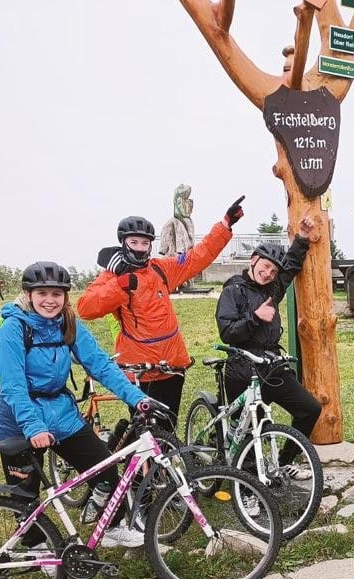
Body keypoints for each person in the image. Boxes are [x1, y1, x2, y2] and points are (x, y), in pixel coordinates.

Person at [0, 262, 150, 547]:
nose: (50, 300)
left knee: (105, 468)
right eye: (42, 293)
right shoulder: (11, 330)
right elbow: (14, 386)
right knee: (25, 494)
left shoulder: (67, 323)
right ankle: (38, 551)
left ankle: (111, 528)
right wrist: (33, 427)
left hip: (61, 413)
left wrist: (137, 398)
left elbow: (100, 364)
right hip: (18, 420)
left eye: (57, 294)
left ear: (65, 296)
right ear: (28, 294)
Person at [77, 195, 245, 429]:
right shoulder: (112, 277)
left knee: (167, 428)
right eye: (134, 242)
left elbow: (198, 257)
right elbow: (86, 308)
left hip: (171, 365)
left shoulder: (160, 269)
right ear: (123, 243)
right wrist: (121, 284)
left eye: (145, 243)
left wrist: (225, 224)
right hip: (138, 370)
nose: (140, 248)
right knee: (145, 431)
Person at [215, 214, 320, 477]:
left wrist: (303, 237)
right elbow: (227, 332)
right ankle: (249, 484)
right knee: (247, 430)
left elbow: (291, 265)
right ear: (253, 261)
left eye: (273, 271)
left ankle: (283, 462)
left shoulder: (272, 288)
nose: (268, 273)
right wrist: (254, 318)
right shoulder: (233, 291)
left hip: (271, 366)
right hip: (241, 368)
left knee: (309, 409)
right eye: (264, 267)